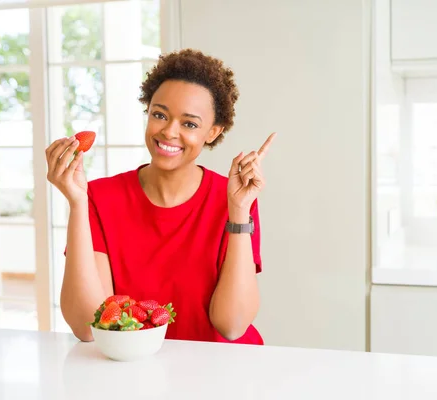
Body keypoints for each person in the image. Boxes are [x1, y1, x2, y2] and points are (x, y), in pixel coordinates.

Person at [45, 48, 276, 345]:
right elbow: (88, 326)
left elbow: (231, 326)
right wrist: (77, 203)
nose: (169, 132)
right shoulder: (99, 197)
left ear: (213, 131)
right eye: (159, 115)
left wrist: (239, 210)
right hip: (136, 371)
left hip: (223, 372)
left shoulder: (234, 199)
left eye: (189, 124)